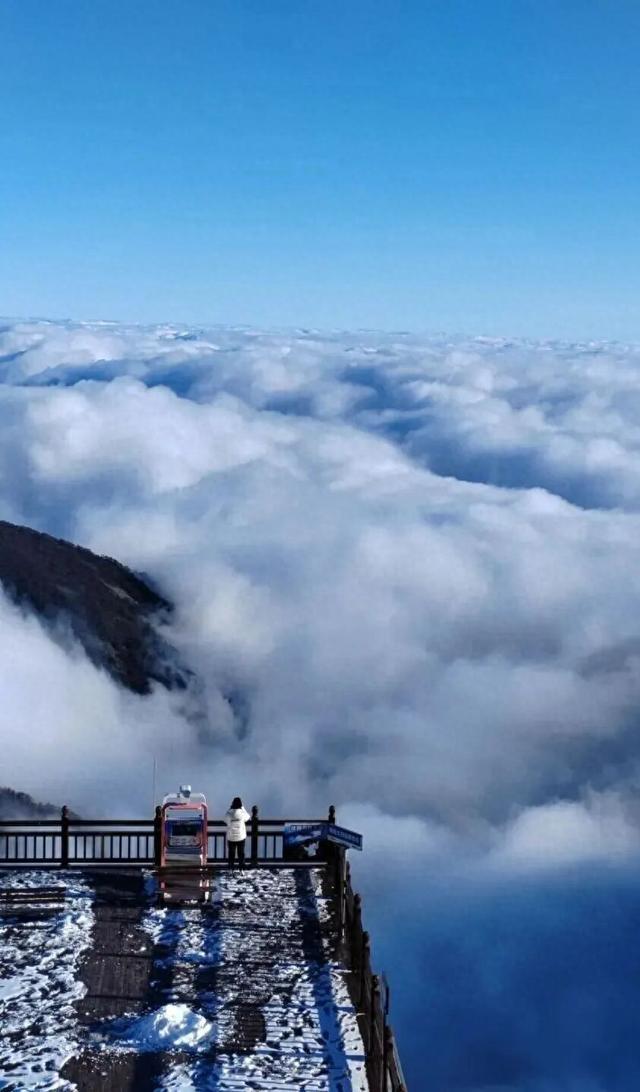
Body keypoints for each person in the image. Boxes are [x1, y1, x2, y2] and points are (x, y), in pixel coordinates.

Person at [225, 796, 251, 870]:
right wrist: (243, 808)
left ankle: (231, 866)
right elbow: (248, 817)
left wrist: (230, 808)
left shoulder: (229, 813)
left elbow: (225, 819)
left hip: (231, 837)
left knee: (231, 853)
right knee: (241, 853)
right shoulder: (242, 813)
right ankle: (241, 867)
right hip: (241, 836)